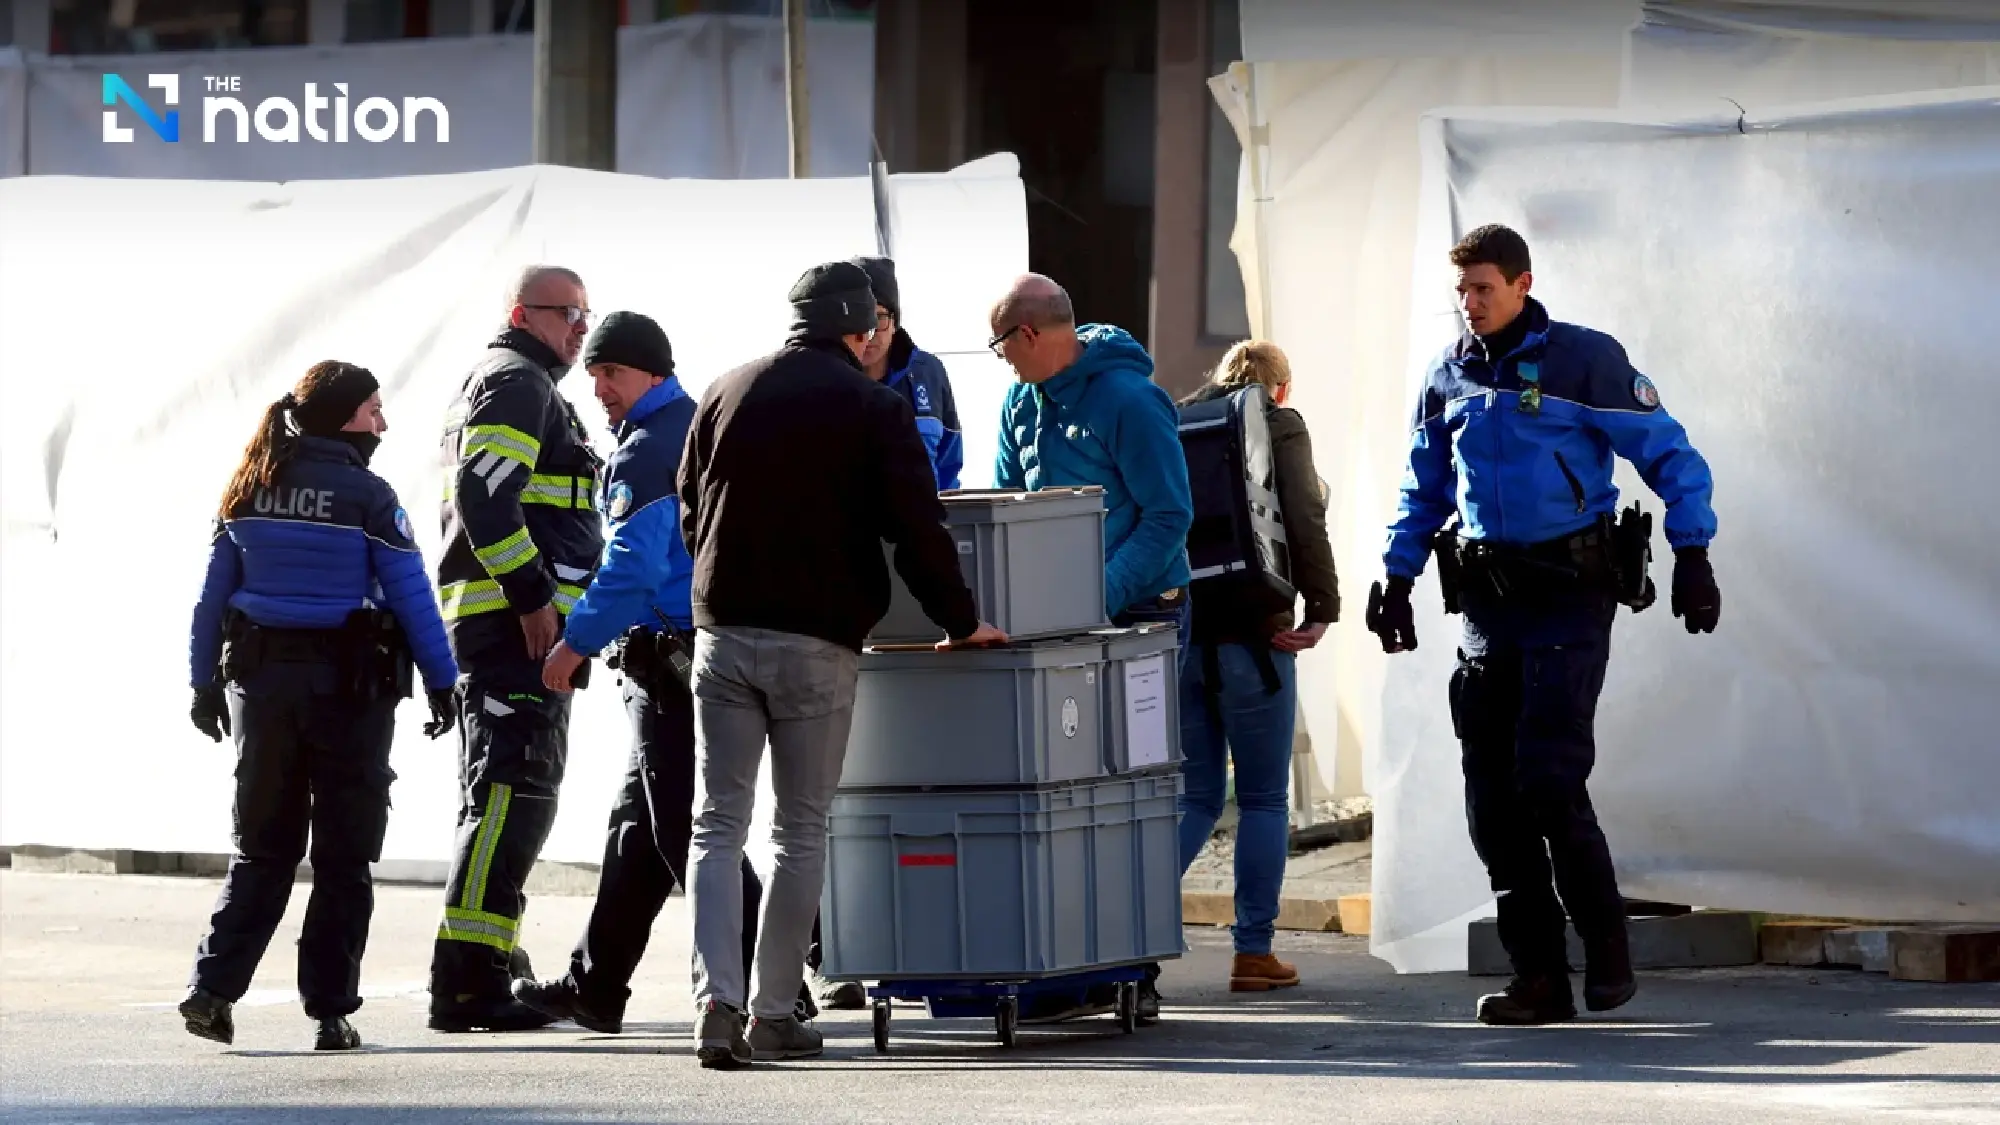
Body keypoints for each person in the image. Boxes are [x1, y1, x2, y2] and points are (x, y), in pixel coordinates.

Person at [1367, 224, 1721, 1026]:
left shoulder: (1582, 360)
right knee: (1492, 797)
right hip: (1488, 605)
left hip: (1569, 593)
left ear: (1523, 284)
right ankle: (1538, 976)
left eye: (1484, 288)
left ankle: (1607, 946)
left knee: (1548, 778)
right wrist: (1396, 576)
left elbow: (1671, 455)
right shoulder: (1448, 376)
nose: (1470, 303)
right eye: (1461, 290)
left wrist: (1693, 552)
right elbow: (1423, 487)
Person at [677, 260, 1006, 1069]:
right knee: (800, 829)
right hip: (817, 641)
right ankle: (773, 1011)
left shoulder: (724, 390)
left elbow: (690, 504)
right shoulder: (874, 407)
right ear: (861, 332)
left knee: (716, 823)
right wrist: (962, 621)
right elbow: (917, 529)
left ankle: (715, 1002)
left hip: (722, 631)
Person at [509, 312, 798, 1033]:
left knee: (686, 830)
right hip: (711, 643)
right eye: (593, 374)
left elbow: (630, 571)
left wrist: (573, 644)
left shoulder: (645, 450)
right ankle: (595, 985)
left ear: (652, 372)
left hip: (668, 659)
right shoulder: (701, 423)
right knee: (637, 826)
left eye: (611, 372)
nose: (599, 387)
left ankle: (777, 985)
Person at [179, 361, 459, 1051]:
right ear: (343, 418)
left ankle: (212, 991)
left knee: (261, 848)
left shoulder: (249, 485)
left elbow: (211, 598)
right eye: (373, 410)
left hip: (262, 689)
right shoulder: (370, 497)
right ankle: (331, 1014)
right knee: (343, 855)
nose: (383, 423)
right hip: (349, 693)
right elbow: (412, 594)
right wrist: (442, 680)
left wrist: (201, 684)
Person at [989, 272, 1193, 1024]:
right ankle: (1073, 963)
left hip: (1140, 615)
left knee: (1135, 789)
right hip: (1056, 627)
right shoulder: (1020, 402)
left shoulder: (1130, 400)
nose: (1002, 362)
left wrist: (1093, 596)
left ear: (1030, 334)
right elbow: (1007, 508)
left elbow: (1170, 516)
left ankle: (1136, 964)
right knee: (1061, 793)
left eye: (1001, 346)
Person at [428, 264, 608, 1033]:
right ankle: (469, 981)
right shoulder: (516, 382)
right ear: (521, 315)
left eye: (586, 313)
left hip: (508, 628)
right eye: (566, 312)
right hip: (514, 630)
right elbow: (485, 495)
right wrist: (533, 598)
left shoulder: (517, 383)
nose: (580, 327)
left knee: (501, 796)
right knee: (512, 795)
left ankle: (486, 961)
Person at [1173, 341, 1340, 992]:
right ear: (1282, 387)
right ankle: (1252, 952)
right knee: (1265, 798)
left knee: (1195, 797)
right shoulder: (1279, 423)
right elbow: (1304, 516)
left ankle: (1122, 931)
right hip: (1257, 640)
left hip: (1188, 640)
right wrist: (1322, 607)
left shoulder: (1179, 422)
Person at [849, 255, 964, 490]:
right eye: (859, 319)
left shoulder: (930, 372)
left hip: (924, 512)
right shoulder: (825, 378)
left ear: (895, 322)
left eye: (879, 318)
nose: (868, 333)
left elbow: (949, 464)